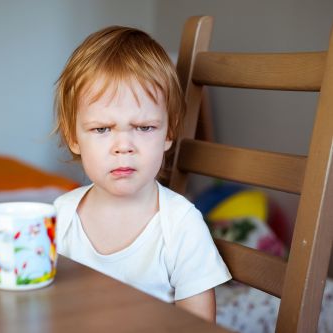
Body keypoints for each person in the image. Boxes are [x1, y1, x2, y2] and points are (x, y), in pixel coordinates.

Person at [53, 26, 231, 322]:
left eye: (144, 127)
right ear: (73, 137)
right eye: (102, 129)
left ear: (168, 133)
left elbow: (198, 326)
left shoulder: (181, 225)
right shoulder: (61, 216)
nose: (124, 146)